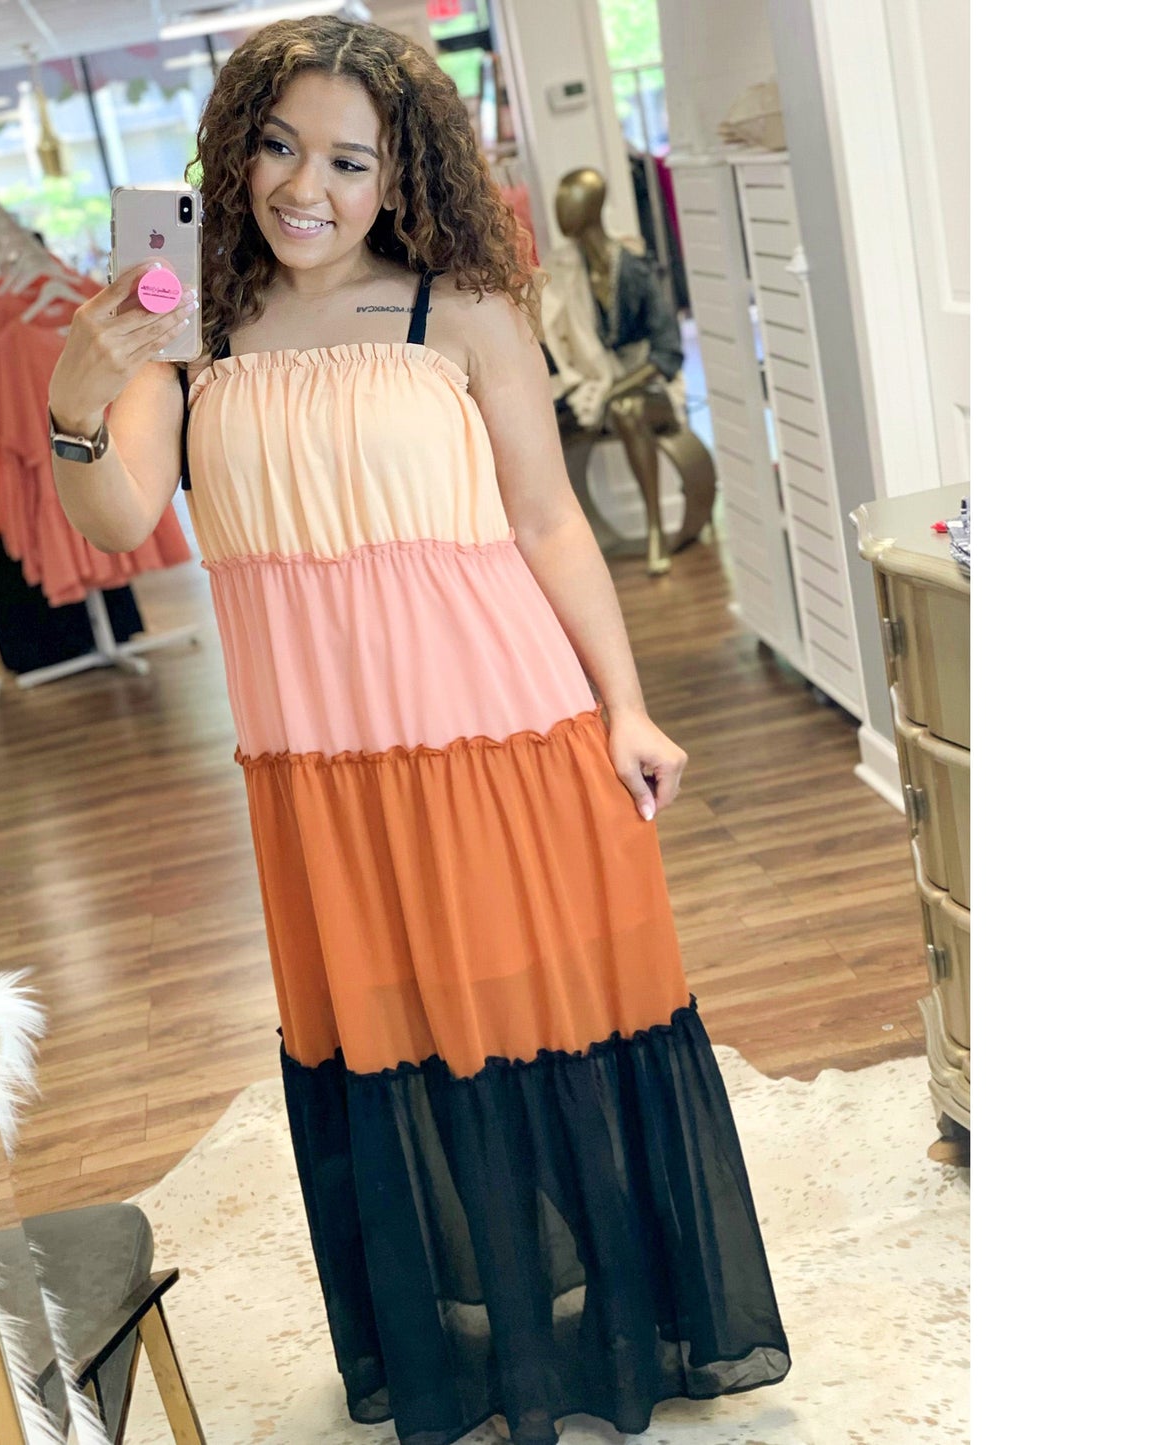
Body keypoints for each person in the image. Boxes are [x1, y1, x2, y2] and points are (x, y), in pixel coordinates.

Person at [46, 16, 789, 1445]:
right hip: (316, 773)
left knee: (541, 1031)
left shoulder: (464, 308)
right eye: (277, 146)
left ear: (402, 174)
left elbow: (546, 518)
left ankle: (619, 1333)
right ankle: (479, 1345)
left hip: (503, 737)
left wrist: (626, 704)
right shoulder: (186, 327)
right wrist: (79, 399)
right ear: (233, 150)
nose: (304, 186)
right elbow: (120, 514)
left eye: (348, 159)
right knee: (401, 1057)